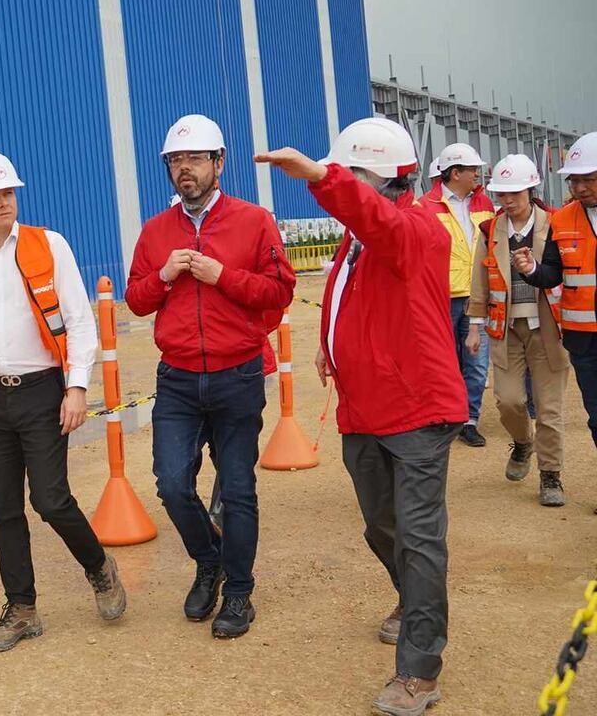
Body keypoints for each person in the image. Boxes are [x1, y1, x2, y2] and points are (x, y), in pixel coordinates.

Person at [257, 117, 467, 716]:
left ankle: (419, 670)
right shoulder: (357, 241)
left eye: (350, 174)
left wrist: (320, 177)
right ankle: (415, 599)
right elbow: (350, 295)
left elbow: (380, 222)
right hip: (364, 408)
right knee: (381, 526)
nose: (344, 184)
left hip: (418, 411)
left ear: (374, 177)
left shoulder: (420, 229)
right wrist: (330, 345)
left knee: (421, 536)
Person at [0, 149, 126, 652]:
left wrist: (76, 387)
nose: (3, 202)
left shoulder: (49, 245)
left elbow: (79, 321)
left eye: (8, 193)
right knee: (4, 509)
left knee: (50, 498)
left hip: (42, 392)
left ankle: (100, 568)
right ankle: (22, 609)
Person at [126, 114, 294, 639]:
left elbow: (278, 292)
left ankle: (239, 593)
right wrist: (164, 274)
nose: (184, 170)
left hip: (237, 374)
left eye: (195, 159)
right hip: (177, 377)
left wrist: (224, 277)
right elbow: (135, 300)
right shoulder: (156, 232)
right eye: (176, 162)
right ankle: (209, 561)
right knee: (173, 484)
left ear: (219, 163)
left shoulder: (254, 220)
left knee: (239, 488)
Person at [466, 154, 568, 506]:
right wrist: (475, 326)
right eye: (502, 194)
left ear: (531, 190)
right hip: (505, 327)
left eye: (514, 193)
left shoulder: (556, 223)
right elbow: (480, 280)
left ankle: (551, 475)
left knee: (549, 407)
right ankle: (523, 443)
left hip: (549, 328)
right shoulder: (491, 229)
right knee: (508, 400)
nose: (507, 201)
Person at [517, 131, 597, 515]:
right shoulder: (561, 220)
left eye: (588, 179)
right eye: (574, 180)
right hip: (583, 339)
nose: (579, 187)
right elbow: (552, 273)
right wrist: (532, 269)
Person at [424, 143, 496, 447]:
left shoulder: (485, 205)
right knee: (445, 361)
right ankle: (446, 416)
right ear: (455, 173)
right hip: (442, 298)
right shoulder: (424, 207)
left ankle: (469, 419)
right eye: (472, 170)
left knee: (477, 362)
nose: (477, 175)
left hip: (477, 296)